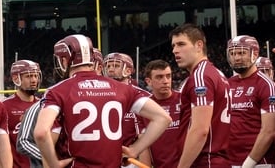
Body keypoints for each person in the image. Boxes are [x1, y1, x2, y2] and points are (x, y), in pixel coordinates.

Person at [34, 34, 171, 168]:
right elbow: (163, 118)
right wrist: (135, 149)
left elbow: (41, 133)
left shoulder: (57, 91)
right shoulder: (122, 88)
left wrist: (53, 163)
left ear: (65, 60)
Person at [170, 23, 231, 168]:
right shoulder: (216, 73)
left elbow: (200, 130)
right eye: (173, 46)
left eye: (181, 44)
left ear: (199, 45)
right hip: (217, 159)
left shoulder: (201, 77)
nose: (175, 50)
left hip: (205, 161)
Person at [225, 35, 275, 168]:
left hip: (259, 162)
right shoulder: (227, 83)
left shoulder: (266, 85)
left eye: (241, 53)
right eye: (233, 53)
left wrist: (248, 164)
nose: (236, 58)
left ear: (254, 54)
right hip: (231, 160)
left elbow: (269, 131)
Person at [103, 52, 151, 167]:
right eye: (108, 66)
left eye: (115, 66)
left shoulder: (141, 96)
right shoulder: (99, 95)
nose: (110, 69)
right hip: (106, 157)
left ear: (128, 70)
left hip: (132, 160)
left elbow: (145, 134)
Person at [139, 59, 182, 168]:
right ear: (148, 81)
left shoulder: (185, 100)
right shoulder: (143, 107)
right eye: (159, 77)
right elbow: (144, 147)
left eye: (168, 76)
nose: (166, 81)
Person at [3, 60, 41, 168]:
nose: (34, 80)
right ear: (16, 79)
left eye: (35, 76)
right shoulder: (5, 107)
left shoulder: (43, 105)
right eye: (29, 76)